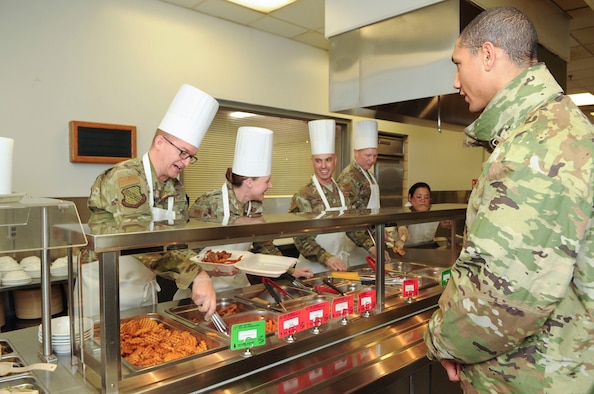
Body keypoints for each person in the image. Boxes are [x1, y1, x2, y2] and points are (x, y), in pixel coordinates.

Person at [423, 7, 594, 393]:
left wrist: (442, 341)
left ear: (487, 55)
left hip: (533, 378)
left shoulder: (536, 144)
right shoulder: (554, 125)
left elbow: (501, 295)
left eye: (458, 64)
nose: (454, 80)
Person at [87, 84, 219, 318]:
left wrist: (199, 272)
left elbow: (176, 242)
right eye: (183, 152)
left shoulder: (175, 189)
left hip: (145, 288)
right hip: (105, 287)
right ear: (160, 142)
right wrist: (196, 274)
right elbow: (136, 239)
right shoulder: (125, 177)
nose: (186, 162)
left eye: (191, 156)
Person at [190, 126, 313, 290]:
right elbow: (185, 250)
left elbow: (263, 243)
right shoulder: (210, 204)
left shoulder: (254, 205)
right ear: (249, 182)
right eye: (267, 181)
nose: (271, 185)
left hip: (237, 286)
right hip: (203, 287)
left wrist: (289, 270)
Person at [290, 119, 380, 274]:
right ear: (312, 161)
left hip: (340, 266)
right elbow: (301, 238)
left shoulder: (342, 193)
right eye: (318, 161)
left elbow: (352, 227)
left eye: (328, 160)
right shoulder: (304, 195)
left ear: (335, 160)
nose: (324, 166)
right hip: (313, 270)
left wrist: (371, 247)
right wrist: (327, 258)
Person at [337, 120, 380, 211]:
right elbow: (345, 210)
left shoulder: (367, 173)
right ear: (356, 152)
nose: (372, 160)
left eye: (375, 155)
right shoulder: (349, 177)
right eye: (368, 155)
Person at [398, 182, 450, 249]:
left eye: (426, 197)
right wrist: (401, 226)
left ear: (430, 199)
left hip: (429, 247)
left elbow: (432, 224)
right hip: (407, 249)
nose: (423, 200)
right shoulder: (405, 211)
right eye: (419, 197)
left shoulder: (434, 212)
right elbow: (401, 222)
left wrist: (442, 224)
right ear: (410, 197)